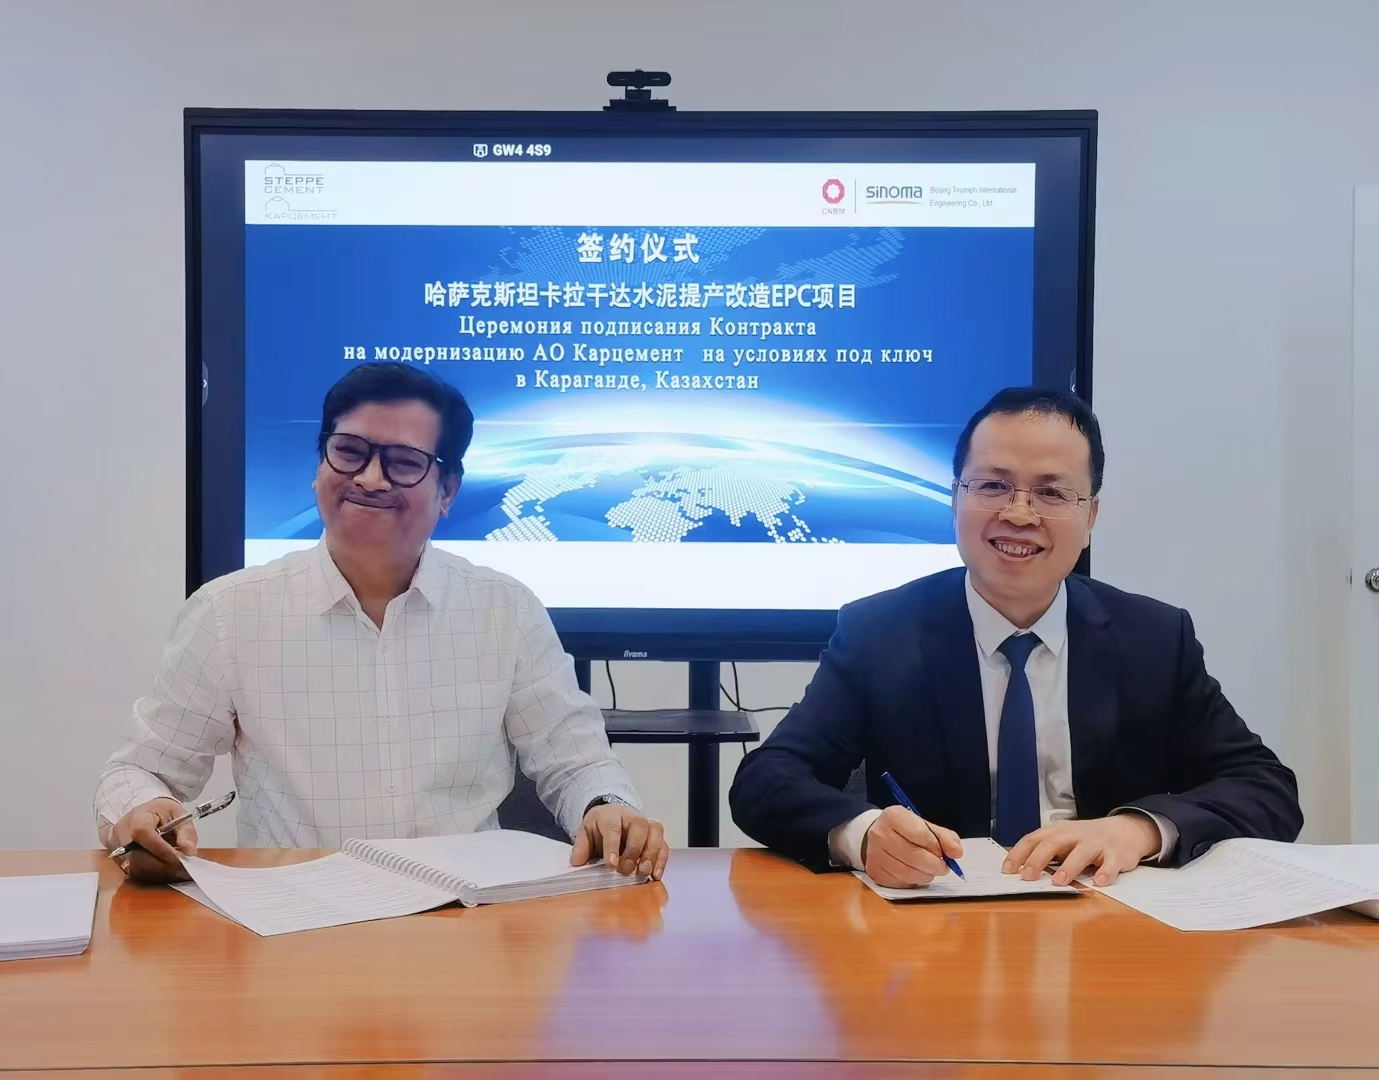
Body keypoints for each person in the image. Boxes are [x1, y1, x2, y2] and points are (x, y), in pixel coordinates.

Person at [98, 362, 669, 884]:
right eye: (349, 452)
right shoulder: (229, 613)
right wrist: (141, 809)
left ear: (447, 491)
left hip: (463, 916)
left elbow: (577, 762)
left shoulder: (505, 610)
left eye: (404, 462)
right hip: (296, 915)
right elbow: (140, 771)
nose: (370, 479)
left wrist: (607, 807)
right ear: (319, 467)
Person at [729, 387, 1301, 889]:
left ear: (1091, 517)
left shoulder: (1153, 639)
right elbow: (766, 780)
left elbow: (1265, 787)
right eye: (992, 485)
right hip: (939, 922)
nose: (1019, 514)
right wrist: (863, 833)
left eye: (1051, 493)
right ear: (956, 497)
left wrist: (1138, 830)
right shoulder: (880, 632)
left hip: (1110, 917)